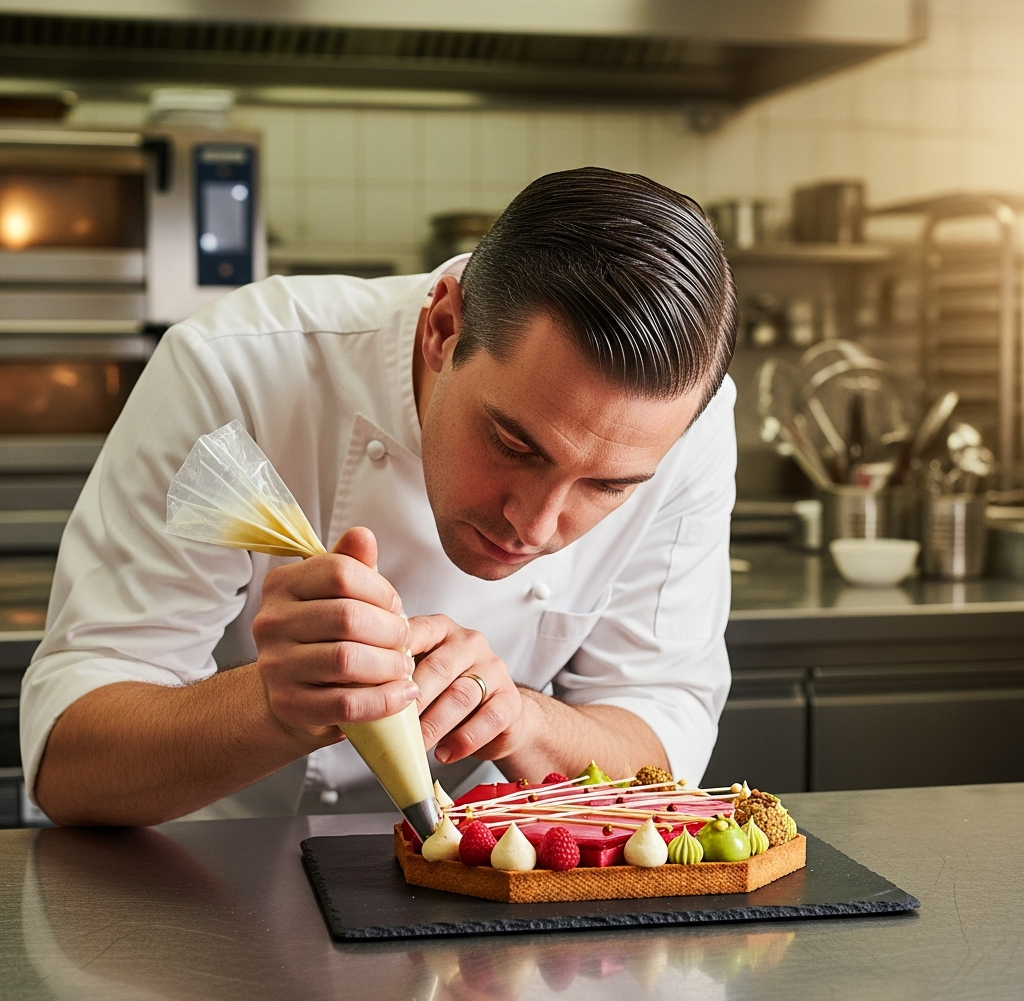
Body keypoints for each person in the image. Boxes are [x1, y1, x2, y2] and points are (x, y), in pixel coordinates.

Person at [22, 167, 738, 827]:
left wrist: (523, 721)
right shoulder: (236, 369)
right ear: (442, 328)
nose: (537, 524)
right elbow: (67, 766)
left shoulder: (684, 427)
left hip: (476, 906)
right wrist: (276, 705)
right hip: (193, 893)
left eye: (608, 486)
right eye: (515, 446)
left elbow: (660, 734)